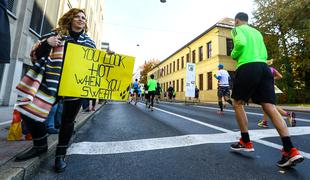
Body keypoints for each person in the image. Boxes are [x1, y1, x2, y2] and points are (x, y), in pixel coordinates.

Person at [14, 8, 96, 172]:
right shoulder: (54, 35)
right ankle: (40, 145)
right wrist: (47, 44)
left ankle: (60, 156)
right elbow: (35, 56)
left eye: (84, 18)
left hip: (74, 85)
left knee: (67, 121)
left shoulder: (90, 44)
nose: (81, 19)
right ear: (70, 19)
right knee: (27, 110)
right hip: (50, 81)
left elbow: (93, 67)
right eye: (78, 17)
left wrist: (107, 59)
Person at [230, 12, 303, 167]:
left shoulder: (237, 29)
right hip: (264, 67)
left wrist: (234, 54)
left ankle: (246, 141)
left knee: (237, 102)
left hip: (247, 66)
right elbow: (264, 52)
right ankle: (290, 150)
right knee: (269, 106)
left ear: (237, 20)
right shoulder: (257, 32)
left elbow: (241, 44)